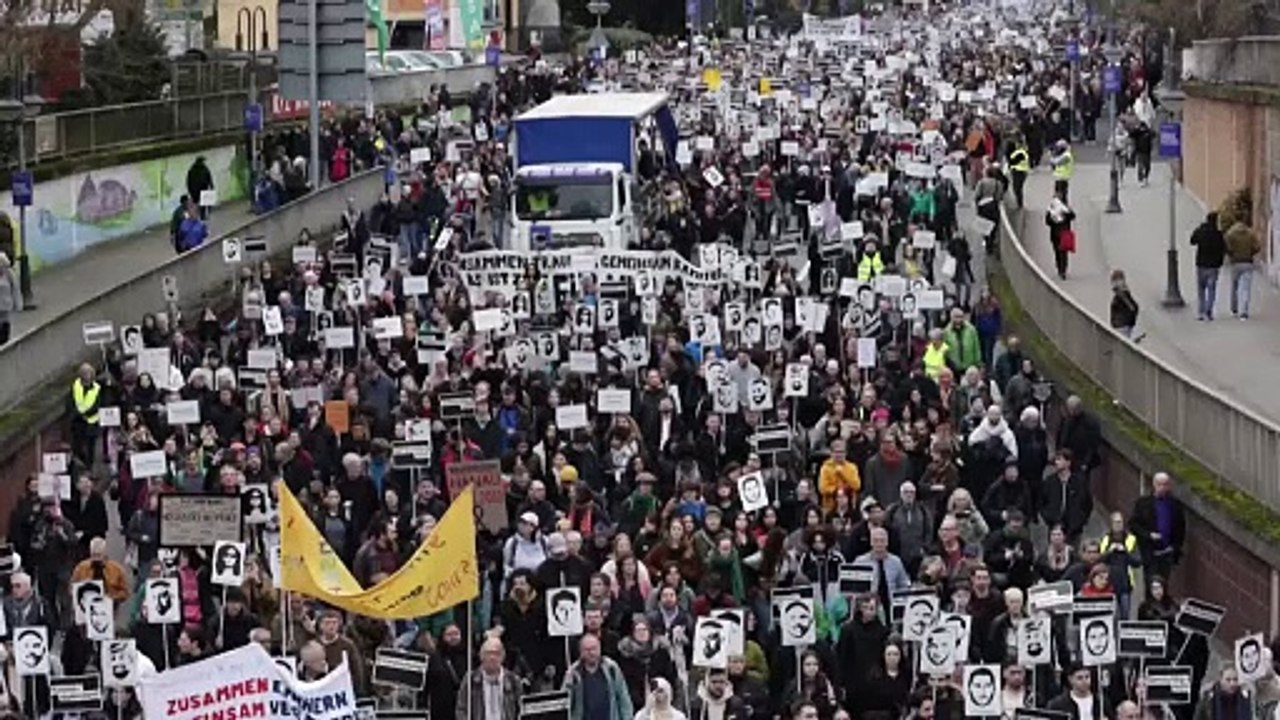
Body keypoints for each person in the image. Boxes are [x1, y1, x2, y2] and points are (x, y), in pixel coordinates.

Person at [1127, 472, 1187, 581]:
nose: (1162, 488)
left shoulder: (1174, 505)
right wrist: (1149, 535)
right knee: (1151, 582)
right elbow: (1133, 525)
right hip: (1150, 551)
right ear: (1154, 484)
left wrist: (1175, 547)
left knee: (1164, 583)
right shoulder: (1143, 504)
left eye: (1165, 485)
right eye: (1159, 484)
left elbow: (1180, 528)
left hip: (1167, 551)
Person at [565, 634, 633, 720]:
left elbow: (623, 697)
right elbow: (566, 704)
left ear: (600, 648)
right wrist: (569, 684)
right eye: (587, 650)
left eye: (594, 648)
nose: (591, 653)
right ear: (581, 651)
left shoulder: (611, 667)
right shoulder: (574, 672)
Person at [457, 638, 523, 720]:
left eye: (496, 653)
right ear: (481, 656)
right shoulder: (470, 679)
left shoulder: (513, 680)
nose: (492, 657)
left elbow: (521, 710)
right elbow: (461, 709)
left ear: (503, 656)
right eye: (488, 653)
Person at [1190, 212, 1226, 321]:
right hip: (1214, 266)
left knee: (1201, 289)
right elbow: (1223, 249)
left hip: (1201, 264)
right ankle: (1209, 311)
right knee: (1212, 289)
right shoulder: (1218, 234)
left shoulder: (1201, 231)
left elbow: (1192, 241)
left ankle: (1201, 312)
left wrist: (1198, 230)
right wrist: (1220, 262)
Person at [1224, 217, 1261, 319]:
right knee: (1246, 289)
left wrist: (1231, 255)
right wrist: (1251, 253)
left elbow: (1227, 247)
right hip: (1248, 263)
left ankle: (1234, 309)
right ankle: (1244, 312)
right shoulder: (1250, 233)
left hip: (1235, 263)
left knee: (1234, 287)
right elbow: (1257, 247)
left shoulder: (1230, 234)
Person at [1045, 187, 1076, 280]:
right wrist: (1053, 219)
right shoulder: (1051, 209)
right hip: (1055, 234)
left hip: (1064, 234)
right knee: (1057, 252)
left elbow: (1073, 216)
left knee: (1063, 252)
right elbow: (1047, 221)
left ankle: (1063, 270)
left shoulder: (1065, 208)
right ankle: (1059, 267)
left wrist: (1066, 214)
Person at [1109, 270, 1141, 340]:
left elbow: (1133, 308)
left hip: (1121, 326)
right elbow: (1134, 308)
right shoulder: (1123, 294)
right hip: (1123, 326)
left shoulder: (1122, 294)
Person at [0, 251, 22, 344]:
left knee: (5, 324)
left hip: (5, 305)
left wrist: (18, 304)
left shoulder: (9, 273)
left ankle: (4, 340)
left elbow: (15, 288)